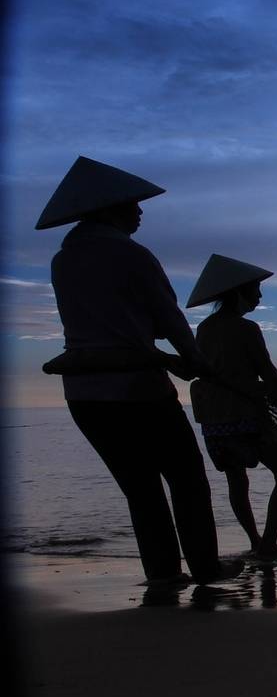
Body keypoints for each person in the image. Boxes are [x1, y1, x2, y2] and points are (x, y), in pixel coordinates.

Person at [37, 156, 242, 585]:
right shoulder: (130, 254)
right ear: (110, 208)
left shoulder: (63, 260)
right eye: (133, 205)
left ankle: (163, 573)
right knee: (187, 480)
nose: (140, 212)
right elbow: (169, 322)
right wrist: (200, 365)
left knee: (141, 490)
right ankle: (205, 566)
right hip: (138, 389)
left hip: (84, 395)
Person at [186, 254, 277, 559]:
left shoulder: (205, 329)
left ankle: (255, 541)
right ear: (238, 291)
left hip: (215, 418)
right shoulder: (246, 328)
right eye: (255, 289)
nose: (259, 295)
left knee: (236, 479)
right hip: (248, 415)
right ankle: (268, 542)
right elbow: (266, 370)